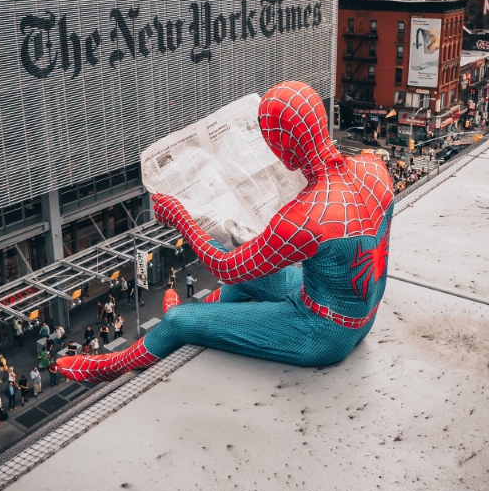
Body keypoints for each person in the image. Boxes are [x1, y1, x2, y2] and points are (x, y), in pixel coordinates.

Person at [58, 82, 395, 385]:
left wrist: (181, 218)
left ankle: (109, 366)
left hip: (322, 331)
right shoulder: (373, 167)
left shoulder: (304, 216)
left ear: (284, 148)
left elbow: (224, 266)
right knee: (252, 279)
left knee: (179, 321)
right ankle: (208, 313)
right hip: (358, 315)